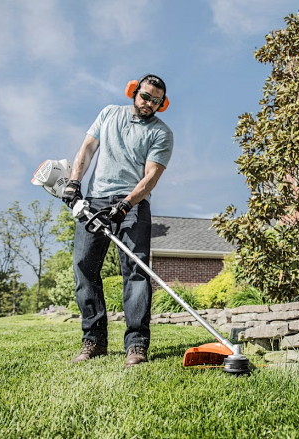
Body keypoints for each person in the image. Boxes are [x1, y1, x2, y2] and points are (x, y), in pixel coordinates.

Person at [62, 74, 173, 368]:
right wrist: (74, 183)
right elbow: (86, 149)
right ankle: (94, 340)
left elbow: (150, 177)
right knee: (84, 267)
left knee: (136, 269)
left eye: (156, 101)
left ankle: (136, 344)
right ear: (133, 92)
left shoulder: (161, 133)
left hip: (134, 203)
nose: (149, 103)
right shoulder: (109, 113)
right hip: (96, 202)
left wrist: (126, 204)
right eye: (145, 96)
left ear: (162, 104)